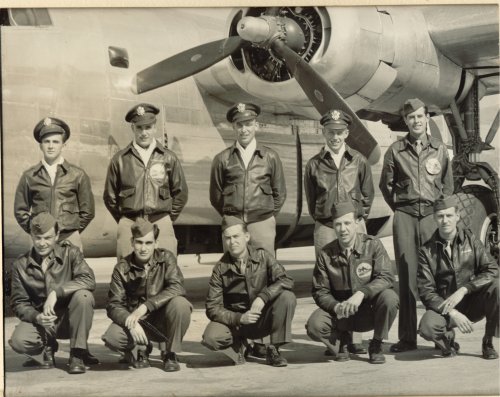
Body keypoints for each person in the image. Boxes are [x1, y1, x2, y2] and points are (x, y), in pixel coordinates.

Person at [379, 98, 453, 353]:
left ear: (427, 117)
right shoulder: (396, 150)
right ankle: (408, 337)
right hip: (406, 216)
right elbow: (385, 185)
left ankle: (443, 334)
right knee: (408, 276)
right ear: (406, 121)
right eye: (411, 118)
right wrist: (401, 208)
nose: (416, 121)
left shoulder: (440, 149)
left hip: (432, 216)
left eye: (420, 116)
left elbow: (448, 185)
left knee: (440, 275)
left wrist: (440, 213)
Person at [304, 108, 374, 355]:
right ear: (324, 132)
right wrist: (324, 219)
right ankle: (338, 336)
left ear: (346, 133)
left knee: (357, 277)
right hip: (325, 226)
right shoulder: (314, 164)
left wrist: (357, 219)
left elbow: (368, 194)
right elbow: (312, 199)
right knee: (330, 281)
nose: (334, 137)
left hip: (354, 226)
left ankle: (355, 338)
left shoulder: (359, 160)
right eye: (330, 132)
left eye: (339, 132)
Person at [306, 201, 399, 364]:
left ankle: (376, 344)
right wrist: (335, 306)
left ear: (357, 223)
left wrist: (361, 293)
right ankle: (342, 342)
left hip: (367, 311)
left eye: (347, 223)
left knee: (390, 298)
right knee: (314, 325)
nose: (343, 229)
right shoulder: (325, 254)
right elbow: (320, 291)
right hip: (341, 313)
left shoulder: (373, 245)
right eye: (338, 224)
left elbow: (386, 277)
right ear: (333, 227)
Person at [8, 212, 98, 374]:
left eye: (47, 238)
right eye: (38, 237)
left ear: (57, 236)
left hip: (69, 320)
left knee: (84, 296)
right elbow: (18, 302)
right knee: (18, 341)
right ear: (31, 236)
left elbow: (88, 279)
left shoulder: (71, 253)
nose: (42, 243)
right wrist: (37, 317)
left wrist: (56, 292)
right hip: (42, 323)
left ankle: (77, 354)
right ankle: (46, 350)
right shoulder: (20, 265)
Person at [201, 216, 296, 367]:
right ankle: (238, 347)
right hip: (236, 324)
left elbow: (285, 280)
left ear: (247, 236)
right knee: (211, 338)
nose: (232, 242)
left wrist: (263, 297)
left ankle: (274, 348)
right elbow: (212, 308)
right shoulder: (220, 268)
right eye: (228, 238)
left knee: (287, 297)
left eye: (236, 236)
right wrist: (239, 318)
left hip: (261, 319)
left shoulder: (263, 256)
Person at [102, 218, 192, 372]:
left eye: (148, 243)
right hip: (137, 322)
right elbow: (113, 304)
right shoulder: (122, 268)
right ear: (131, 242)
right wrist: (130, 322)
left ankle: (170, 353)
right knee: (113, 338)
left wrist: (146, 307)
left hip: (162, 318)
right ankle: (140, 349)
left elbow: (177, 287)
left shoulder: (166, 258)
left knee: (181, 305)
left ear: (156, 243)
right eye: (139, 242)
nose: (143, 248)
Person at [417, 196, 499, 359]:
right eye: (440, 216)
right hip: (445, 307)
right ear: (434, 218)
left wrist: (465, 289)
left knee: (498, 287)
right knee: (427, 327)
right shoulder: (426, 251)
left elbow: (492, 269)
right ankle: (447, 341)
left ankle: (488, 341)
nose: (445, 220)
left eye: (449, 215)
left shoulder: (471, 240)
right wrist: (453, 313)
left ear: (457, 216)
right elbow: (426, 292)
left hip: (473, 302)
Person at [103, 103, 188, 259]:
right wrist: (125, 219)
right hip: (130, 222)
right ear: (132, 128)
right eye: (139, 128)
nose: (144, 133)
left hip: (160, 221)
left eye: (148, 127)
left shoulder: (168, 157)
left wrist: (166, 217)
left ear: (154, 127)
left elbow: (180, 193)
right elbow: (110, 197)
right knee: (127, 274)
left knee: (166, 272)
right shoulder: (120, 160)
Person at [210, 102, 286, 255]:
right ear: (233, 127)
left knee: (264, 268)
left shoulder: (270, 157)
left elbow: (280, 193)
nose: (244, 130)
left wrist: (266, 216)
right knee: (234, 271)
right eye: (239, 125)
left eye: (248, 124)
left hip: (262, 222)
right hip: (234, 223)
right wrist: (232, 217)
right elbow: (216, 197)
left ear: (256, 125)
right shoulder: (222, 159)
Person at [14, 117, 95, 251]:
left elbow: (88, 211)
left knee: (73, 272)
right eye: (46, 142)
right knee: (38, 272)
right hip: (40, 240)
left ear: (63, 145)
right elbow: (20, 211)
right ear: (40, 145)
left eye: (56, 142)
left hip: (69, 240)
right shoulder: (29, 176)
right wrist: (37, 231)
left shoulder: (77, 175)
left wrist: (71, 231)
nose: (51, 146)